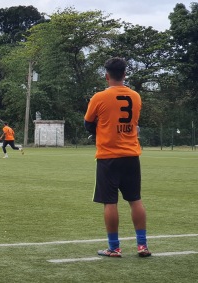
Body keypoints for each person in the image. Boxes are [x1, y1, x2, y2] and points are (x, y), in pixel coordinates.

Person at [84, 57, 150, 258]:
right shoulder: (136, 97)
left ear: (106, 76)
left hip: (108, 157)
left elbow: (88, 123)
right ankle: (142, 245)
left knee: (110, 202)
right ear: (125, 74)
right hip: (131, 155)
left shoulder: (99, 97)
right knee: (135, 200)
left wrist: (100, 130)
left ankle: (114, 247)